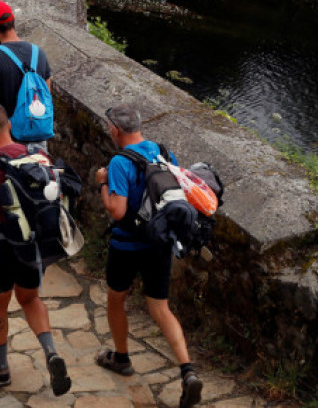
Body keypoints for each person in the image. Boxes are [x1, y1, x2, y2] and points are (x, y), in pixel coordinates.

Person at [94, 103, 203, 408]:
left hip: (127, 245)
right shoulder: (163, 152)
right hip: (159, 244)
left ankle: (122, 358)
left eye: (108, 128)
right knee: (160, 307)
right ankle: (188, 371)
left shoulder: (118, 162)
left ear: (116, 130)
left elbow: (116, 210)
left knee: (116, 298)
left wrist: (102, 183)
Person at [0, 102, 71, 396]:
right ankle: (50, 352)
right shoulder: (37, 156)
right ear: (9, 124)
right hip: (32, 246)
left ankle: (2, 368)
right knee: (31, 299)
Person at [0, 0, 54, 152]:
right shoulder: (39, 53)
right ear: (13, 21)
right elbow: (47, 97)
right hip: (38, 137)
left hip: (8, 141)